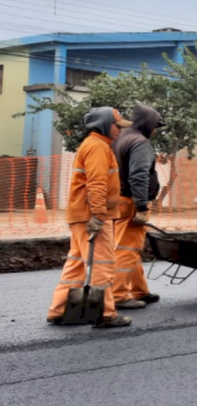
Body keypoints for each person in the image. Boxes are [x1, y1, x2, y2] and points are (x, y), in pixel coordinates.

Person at [47, 107, 134, 327]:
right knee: (102, 264)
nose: (120, 131)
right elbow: (96, 184)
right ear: (105, 124)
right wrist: (98, 215)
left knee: (76, 264)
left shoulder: (92, 144)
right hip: (93, 216)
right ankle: (106, 314)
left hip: (80, 215)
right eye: (117, 126)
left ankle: (59, 310)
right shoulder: (97, 147)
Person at [112, 102, 165, 310]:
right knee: (127, 249)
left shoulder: (120, 139)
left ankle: (140, 291)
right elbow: (138, 175)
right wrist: (142, 205)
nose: (155, 131)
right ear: (147, 124)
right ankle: (118, 295)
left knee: (130, 248)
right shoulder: (140, 142)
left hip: (119, 199)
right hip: (132, 202)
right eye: (154, 126)